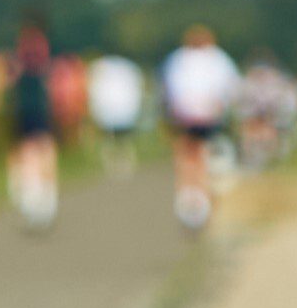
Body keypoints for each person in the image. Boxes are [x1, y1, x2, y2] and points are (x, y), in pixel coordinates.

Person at [159, 27, 239, 231]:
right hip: (209, 115)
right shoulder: (219, 58)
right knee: (202, 155)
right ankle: (202, 198)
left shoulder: (178, 59)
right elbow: (231, 87)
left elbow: (168, 87)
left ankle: (187, 196)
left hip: (184, 116)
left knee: (186, 155)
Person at [5, 20, 62, 231]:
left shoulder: (20, 58)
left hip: (28, 109)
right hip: (36, 109)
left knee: (31, 150)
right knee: (42, 149)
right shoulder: (41, 56)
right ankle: (43, 197)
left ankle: (38, 196)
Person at [87, 51, 147, 179]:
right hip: (121, 111)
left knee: (113, 139)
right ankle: (122, 164)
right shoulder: (128, 67)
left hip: (113, 111)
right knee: (121, 140)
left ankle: (114, 164)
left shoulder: (100, 68)